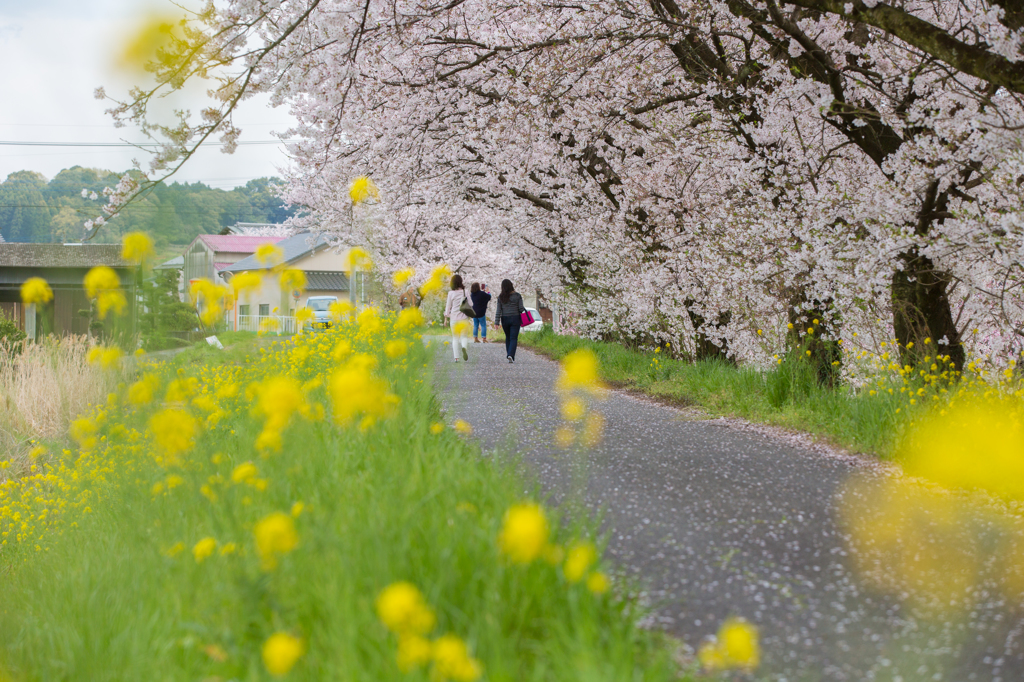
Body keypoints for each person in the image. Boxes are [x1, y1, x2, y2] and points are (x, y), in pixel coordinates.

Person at [493, 278, 526, 363]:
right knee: (513, 338)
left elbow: (498, 311)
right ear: (511, 286)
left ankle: (509, 354)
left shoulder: (501, 297)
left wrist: (496, 322)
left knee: (508, 337)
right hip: (515, 318)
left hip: (505, 319)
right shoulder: (517, 296)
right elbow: (521, 308)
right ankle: (510, 355)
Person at [443, 274, 472, 362]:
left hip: (454, 318)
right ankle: (464, 348)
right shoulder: (465, 291)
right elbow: (471, 304)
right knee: (464, 336)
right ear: (461, 282)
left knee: (455, 338)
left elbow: (448, 307)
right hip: (463, 318)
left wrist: (446, 318)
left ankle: (456, 358)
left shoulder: (450, 293)